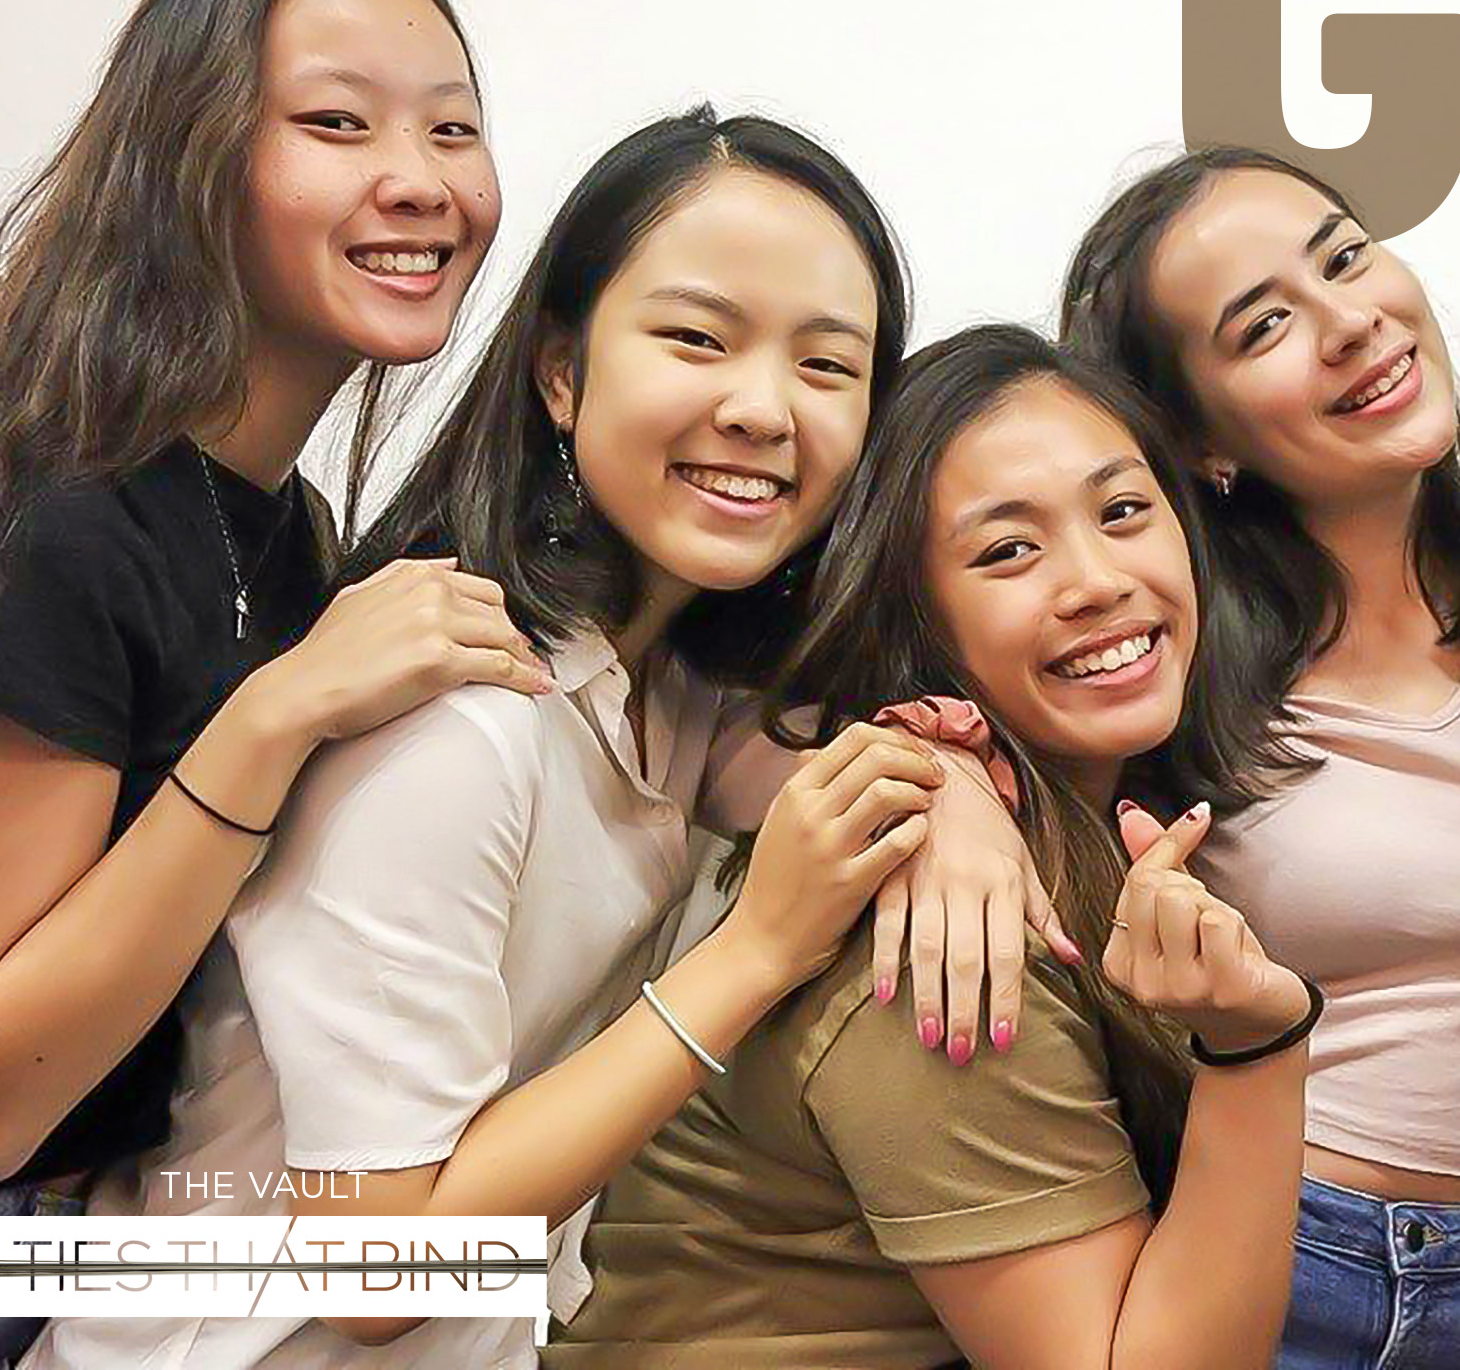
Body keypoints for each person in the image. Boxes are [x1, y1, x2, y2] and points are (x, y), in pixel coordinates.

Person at [22, 107, 1000, 1367]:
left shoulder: (663, 691)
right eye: (696, 337)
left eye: (827, 366)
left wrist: (961, 790)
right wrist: (753, 950)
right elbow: (374, 1266)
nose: (763, 409)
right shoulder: (460, 721)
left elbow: (824, 767)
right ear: (560, 371)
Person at [0, 0, 540, 1369]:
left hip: (100, 1253)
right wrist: (272, 722)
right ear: (189, 163)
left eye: (454, 132)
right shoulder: (63, 523)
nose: (419, 182)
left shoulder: (291, 534)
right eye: (337, 124)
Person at [553, 325, 1318, 1368]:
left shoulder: (1065, 824)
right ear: (912, 611)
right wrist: (1257, 1050)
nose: (1095, 579)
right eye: (1007, 549)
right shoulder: (943, 934)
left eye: (1123, 510)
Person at [1063, 149, 1460, 1365]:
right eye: (1264, 324)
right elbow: (882, 708)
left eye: (1343, 255)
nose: (1349, 320)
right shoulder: (1164, 661)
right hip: (1285, 1262)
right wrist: (954, 801)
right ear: (1198, 441)